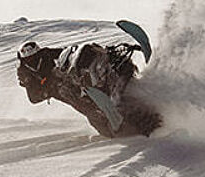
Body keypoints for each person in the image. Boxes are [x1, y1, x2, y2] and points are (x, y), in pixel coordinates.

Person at [16, 37, 161, 137]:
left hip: (70, 79)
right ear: (24, 60)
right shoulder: (24, 72)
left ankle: (113, 62)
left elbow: (65, 53)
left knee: (91, 81)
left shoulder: (46, 53)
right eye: (30, 59)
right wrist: (47, 90)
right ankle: (116, 130)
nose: (34, 59)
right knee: (88, 109)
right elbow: (33, 98)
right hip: (62, 91)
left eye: (35, 55)